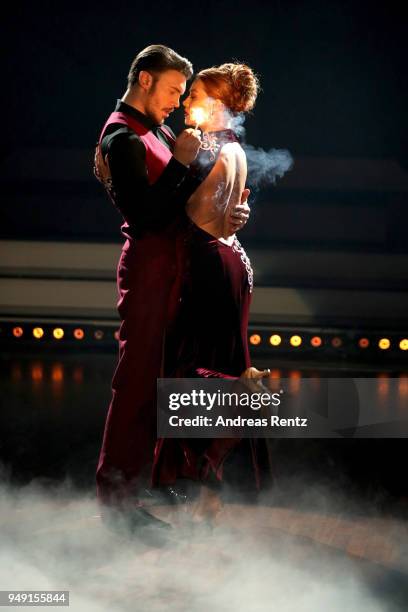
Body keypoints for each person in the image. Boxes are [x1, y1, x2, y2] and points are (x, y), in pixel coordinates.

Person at [93, 45, 251, 524]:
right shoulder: (122, 137)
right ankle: (118, 502)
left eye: (183, 93)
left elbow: (182, 202)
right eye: (171, 90)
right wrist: (182, 165)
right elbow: (144, 218)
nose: (177, 102)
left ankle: (156, 484)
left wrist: (232, 212)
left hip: (176, 272)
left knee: (165, 381)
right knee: (137, 385)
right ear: (144, 80)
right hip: (148, 274)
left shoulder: (156, 130)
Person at [151, 63, 271, 523]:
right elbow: (231, 207)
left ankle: (196, 484)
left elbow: (163, 211)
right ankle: (210, 495)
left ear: (217, 104)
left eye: (193, 94)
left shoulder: (202, 147)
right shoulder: (234, 146)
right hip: (232, 262)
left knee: (191, 375)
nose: (184, 102)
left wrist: (178, 161)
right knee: (221, 368)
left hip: (206, 265)